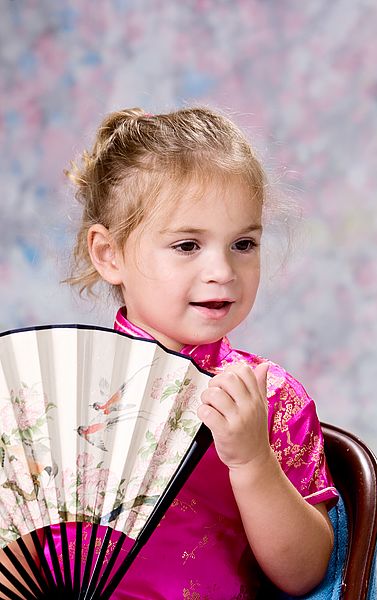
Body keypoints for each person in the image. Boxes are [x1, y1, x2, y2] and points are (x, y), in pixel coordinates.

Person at [67, 107, 339, 598]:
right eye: (188, 245)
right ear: (109, 255)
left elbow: (305, 576)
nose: (223, 270)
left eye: (243, 243)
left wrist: (254, 460)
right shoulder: (55, 389)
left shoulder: (269, 397)